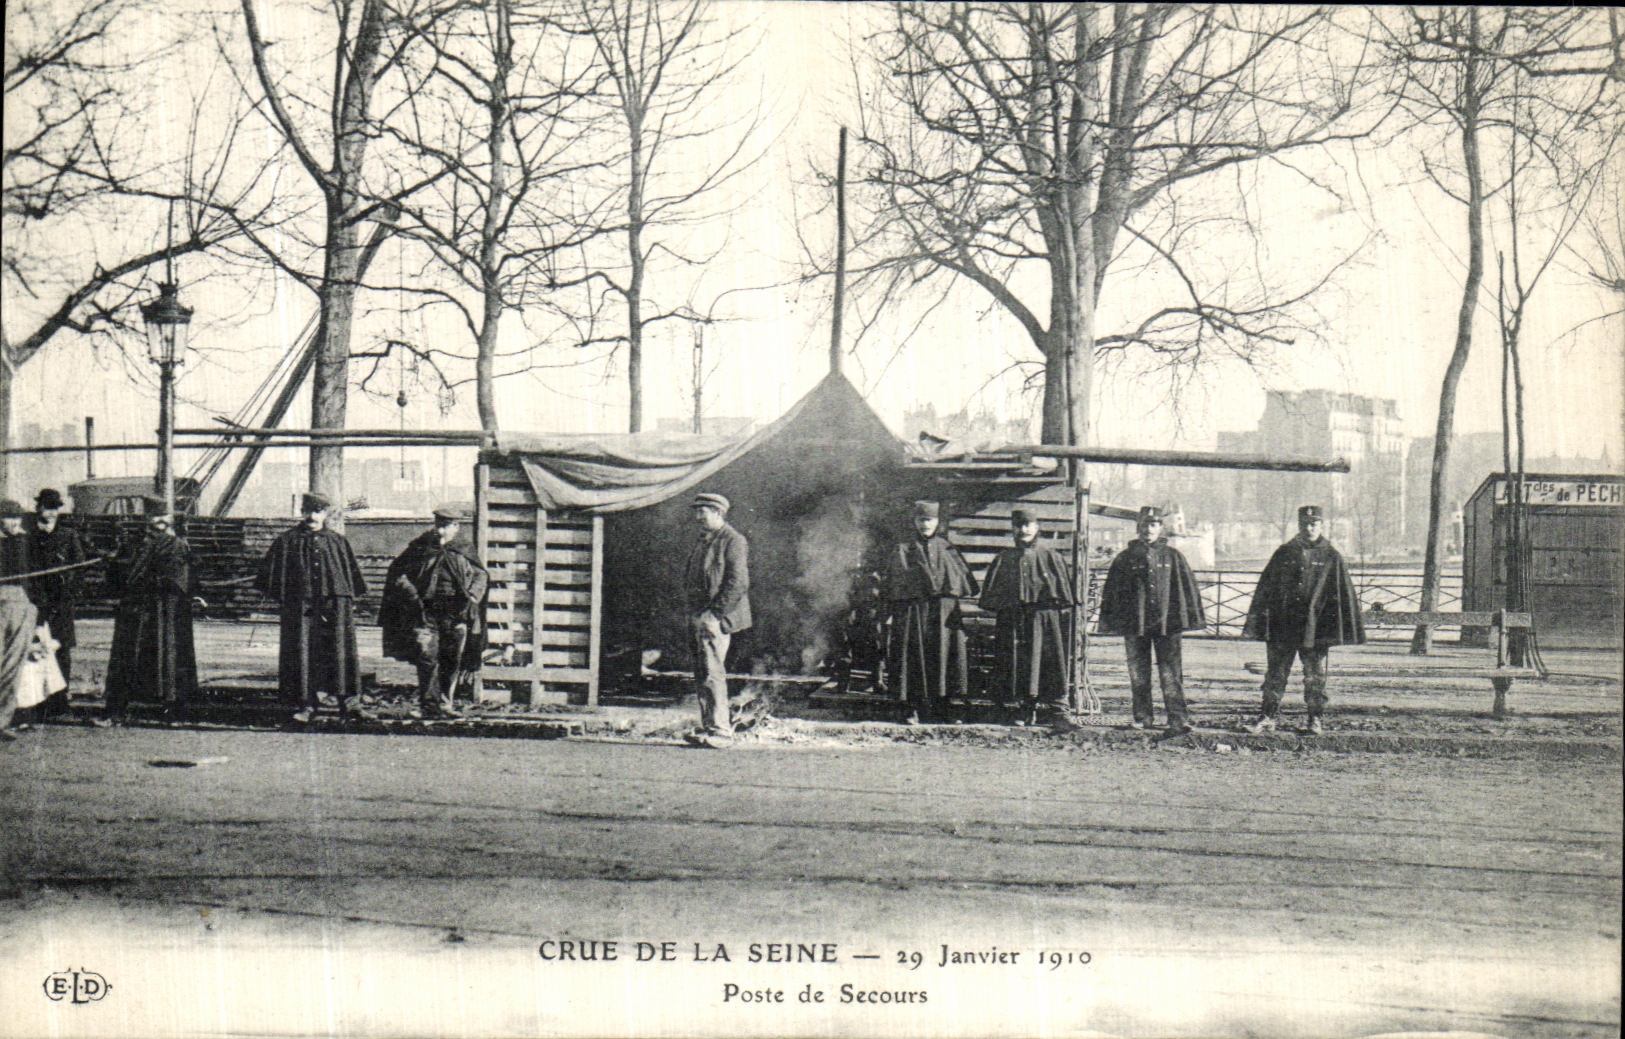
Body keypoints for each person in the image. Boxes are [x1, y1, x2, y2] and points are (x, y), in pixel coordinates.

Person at [1242, 505, 1366, 735]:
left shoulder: (1331, 556)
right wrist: (1264, 620)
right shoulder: (1284, 553)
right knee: (1276, 673)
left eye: (1314, 524)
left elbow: (1339, 594)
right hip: (1284, 625)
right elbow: (1267, 588)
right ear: (1299, 526)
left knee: (1314, 676)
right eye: (1305, 525)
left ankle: (1315, 719)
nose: (1309, 528)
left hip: (1314, 628)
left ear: (1321, 525)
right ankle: (1268, 717)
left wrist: (1329, 626)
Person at [255, 492, 368, 724]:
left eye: (318, 511)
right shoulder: (287, 541)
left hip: (335, 606)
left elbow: (350, 577)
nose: (312, 516)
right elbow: (271, 578)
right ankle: (305, 704)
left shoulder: (337, 541)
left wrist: (345, 600)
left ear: (325, 513)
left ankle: (350, 704)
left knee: (340, 651)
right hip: (302, 608)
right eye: (308, 511)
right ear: (302, 512)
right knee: (303, 654)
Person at [1097, 506, 1206, 734]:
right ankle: (1142, 716)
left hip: (1167, 625)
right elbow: (1113, 592)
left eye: (1154, 524)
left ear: (1161, 527)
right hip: (1135, 625)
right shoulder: (1125, 558)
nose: (1149, 529)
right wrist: (1115, 620)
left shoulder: (1173, 556)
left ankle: (1177, 718)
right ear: (1138, 527)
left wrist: (1184, 618)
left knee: (1171, 673)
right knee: (1138, 672)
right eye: (1145, 524)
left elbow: (1186, 589)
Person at [381, 504, 489, 719]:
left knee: (451, 658)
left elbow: (481, 575)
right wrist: (412, 595)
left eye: (446, 525)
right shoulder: (421, 547)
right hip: (426, 612)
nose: (441, 530)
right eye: (439, 524)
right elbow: (399, 572)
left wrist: (473, 596)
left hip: (456, 613)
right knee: (427, 656)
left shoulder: (464, 548)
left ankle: (445, 704)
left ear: (456, 526)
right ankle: (428, 705)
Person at [978, 508, 1079, 732]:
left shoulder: (1051, 556)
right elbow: (993, 596)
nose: (1023, 530)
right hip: (1015, 619)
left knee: (1050, 661)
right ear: (1013, 529)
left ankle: (1058, 710)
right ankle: (1024, 707)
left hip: (1044, 620)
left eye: (1028, 525)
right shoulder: (1005, 558)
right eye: (1018, 525)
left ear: (1037, 527)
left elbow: (1063, 596)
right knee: (1017, 661)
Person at [100, 500, 198, 722]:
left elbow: (183, 579)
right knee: (128, 658)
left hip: (166, 611)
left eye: (165, 516)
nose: (160, 520)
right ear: (147, 519)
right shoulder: (134, 544)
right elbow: (121, 574)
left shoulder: (177, 545)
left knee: (170, 659)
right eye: (155, 516)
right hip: (137, 609)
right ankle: (116, 711)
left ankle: (173, 712)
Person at [882, 500, 978, 723]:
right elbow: (894, 585)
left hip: (942, 613)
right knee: (913, 656)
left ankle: (943, 706)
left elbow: (962, 581)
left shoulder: (947, 548)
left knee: (944, 656)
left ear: (938, 522)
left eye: (930, 520)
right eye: (921, 520)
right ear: (914, 521)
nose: (925, 524)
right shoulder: (903, 549)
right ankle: (911, 708)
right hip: (913, 611)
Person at [682, 492, 750, 748]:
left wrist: (715, 614)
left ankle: (721, 731)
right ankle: (709, 726)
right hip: (700, 617)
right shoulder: (705, 541)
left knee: (712, 672)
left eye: (703, 512)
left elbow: (738, 583)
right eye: (697, 512)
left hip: (714, 619)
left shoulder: (733, 540)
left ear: (718, 513)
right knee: (702, 673)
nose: (697, 517)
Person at [25, 488, 87, 718]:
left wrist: (69, 593)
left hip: (61, 603)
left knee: (61, 651)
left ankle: (60, 703)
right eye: (46, 507)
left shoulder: (68, 535)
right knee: (37, 650)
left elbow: (79, 567)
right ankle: (37, 703)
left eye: (54, 508)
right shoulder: (29, 537)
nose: (50, 513)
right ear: (38, 508)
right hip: (37, 603)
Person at [1, 500, 39, 737]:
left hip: (21, 602)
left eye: (17, 518)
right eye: (9, 518)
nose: (15, 523)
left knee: (14, 664)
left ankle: (2, 720)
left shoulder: (23, 542)